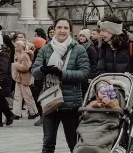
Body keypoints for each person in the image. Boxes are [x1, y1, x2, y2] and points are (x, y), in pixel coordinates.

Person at [32, 18, 90, 153]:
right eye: (59, 27)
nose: (62, 30)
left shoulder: (78, 49)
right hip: (49, 100)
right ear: (54, 30)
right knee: (48, 142)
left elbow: (84, 74)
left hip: (70, 103)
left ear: (70, 30)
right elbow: (35, 71)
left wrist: (62, 73)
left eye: (65, 28)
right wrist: (43, 70)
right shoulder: (46, 48)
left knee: (73, 142)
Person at [13, 36, 38, 120]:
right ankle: (17, 113)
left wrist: (16, 65)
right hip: (20, 78)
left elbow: (25, 67)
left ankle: (33, 112)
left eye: (16, 46)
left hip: (23, 78)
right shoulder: (22, 55)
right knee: (18, 96)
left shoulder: (24, 55)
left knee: (27, 96)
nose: (15, 47)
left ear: (20, 47)